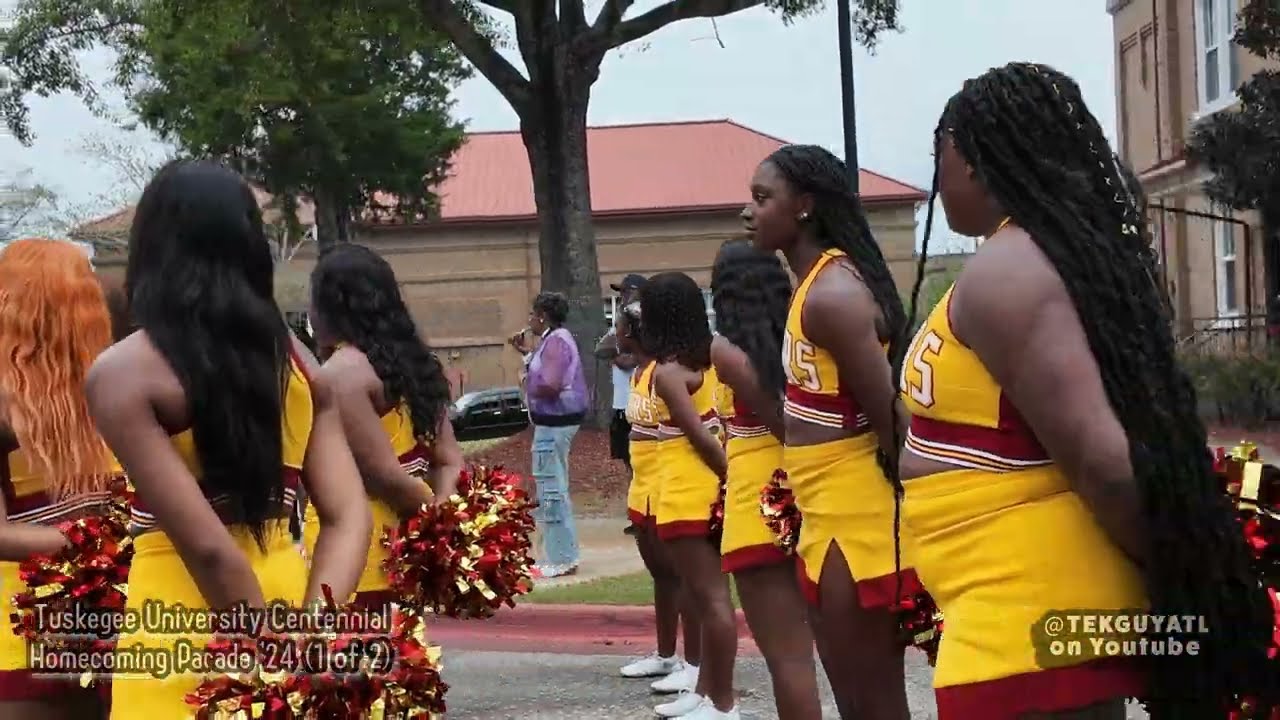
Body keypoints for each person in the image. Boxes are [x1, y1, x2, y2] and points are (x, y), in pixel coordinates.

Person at [896, 61, 1278, 720]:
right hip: (1015, 610)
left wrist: (1195, 581)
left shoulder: (1010, 269)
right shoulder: (1031, 258)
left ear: (981, 162)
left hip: (1032, 617)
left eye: (942, 157)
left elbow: (1105, 464)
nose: (937, 179)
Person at [85, 160, 371, 718]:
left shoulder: (122, 372)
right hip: (289, 599)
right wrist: (308, 641)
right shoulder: (301, 364)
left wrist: (264, 657)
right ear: (251, 245)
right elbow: (346, 514)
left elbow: (210, 548)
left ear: (151, 246)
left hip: (180, 630)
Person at [744, 144, 919, 720]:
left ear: (805, 207)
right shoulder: (813, 286)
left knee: (872, 702)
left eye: (762, 198)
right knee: (853, 698)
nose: (749, 212)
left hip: (856, 520)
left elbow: (891, 417)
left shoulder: (831, 295)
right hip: (823, 512)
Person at [302, 243, 463, 610]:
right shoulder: (417, 362)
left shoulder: (340, 374)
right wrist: (440, 523)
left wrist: (439, 525)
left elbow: (383, 476)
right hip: (406, 547)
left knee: (353, 661)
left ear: (332, 308)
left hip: (358, 552)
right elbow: (450, 460)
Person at [0, 239, 118, 719]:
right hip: (40, 619)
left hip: (89, 618)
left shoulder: (117, 387)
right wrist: (99, 546)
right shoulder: (122, 385)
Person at [710, 239, 821, 720]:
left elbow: (782, 425)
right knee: (821, 655)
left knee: (789, 661)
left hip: (759, 501)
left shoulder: (728, 350)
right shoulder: (802, 334)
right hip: (811, 493)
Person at [640, 272, 737, 720]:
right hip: (706, 492)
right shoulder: (712, 359)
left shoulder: (667, 373)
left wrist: (730, 477)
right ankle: (704, 692)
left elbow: (698, 437)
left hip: (684, 494)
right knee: (705, 599)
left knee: (712, 601)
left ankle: (724, 703)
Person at [610, 298, 705, 692]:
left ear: (634, 332)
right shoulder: (638, 372)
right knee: (661, 575)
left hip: (669, 479)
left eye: (618, 325)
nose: (613, 332)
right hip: (643, 484)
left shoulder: (670, 371)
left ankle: (695, 663)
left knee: (682, 576)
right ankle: (665, 655)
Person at [524, 291, 588, 579]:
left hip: (554, 425)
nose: (528, 320)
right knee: (554, 488)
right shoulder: (552, 340)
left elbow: (550, 383)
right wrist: (526, 356)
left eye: (531, 314)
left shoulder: (556, 341)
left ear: (542, 316)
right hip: (552, 424)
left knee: (551, 491)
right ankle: (561, 553)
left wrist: (528, 382)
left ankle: (562, 558)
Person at [597, 274, 647, 479]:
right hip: (621, 404)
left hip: (639, 403)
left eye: (627, 291)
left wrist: (618, 355)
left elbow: (636, 358)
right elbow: (600, 349)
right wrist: (618, 354)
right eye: (621, 292)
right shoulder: (621, 318)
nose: (623, 296)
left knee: (641, 462)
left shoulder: (644, 317)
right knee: (627, 461)